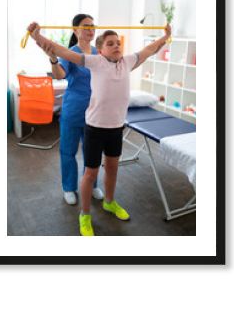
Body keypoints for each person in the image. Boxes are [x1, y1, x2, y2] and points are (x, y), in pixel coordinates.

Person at [27, 21, 172, 236]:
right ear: (101, 50)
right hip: (95, 128)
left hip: (116, 127)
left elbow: (150, 50)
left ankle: (109, 202)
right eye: (110, 44)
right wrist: (37, 38)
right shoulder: (95, 62)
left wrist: (165, 37)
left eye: (118, 43)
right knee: (90, 173)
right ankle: (84, 215)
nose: (116, 46)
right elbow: (64, 52)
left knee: (112, 167)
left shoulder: (128, 61)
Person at [43, 14, 104, 205]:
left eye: (93, 25)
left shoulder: (98, 52)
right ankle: (69, 188)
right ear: (75, 30)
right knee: (68, 151)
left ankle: (92, 185)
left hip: (94, 111)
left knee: (92, 152)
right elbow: (60, 74)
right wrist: (53, 59)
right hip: (73, 110)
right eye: (86, 26)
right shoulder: (70, 52)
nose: (90, 29)